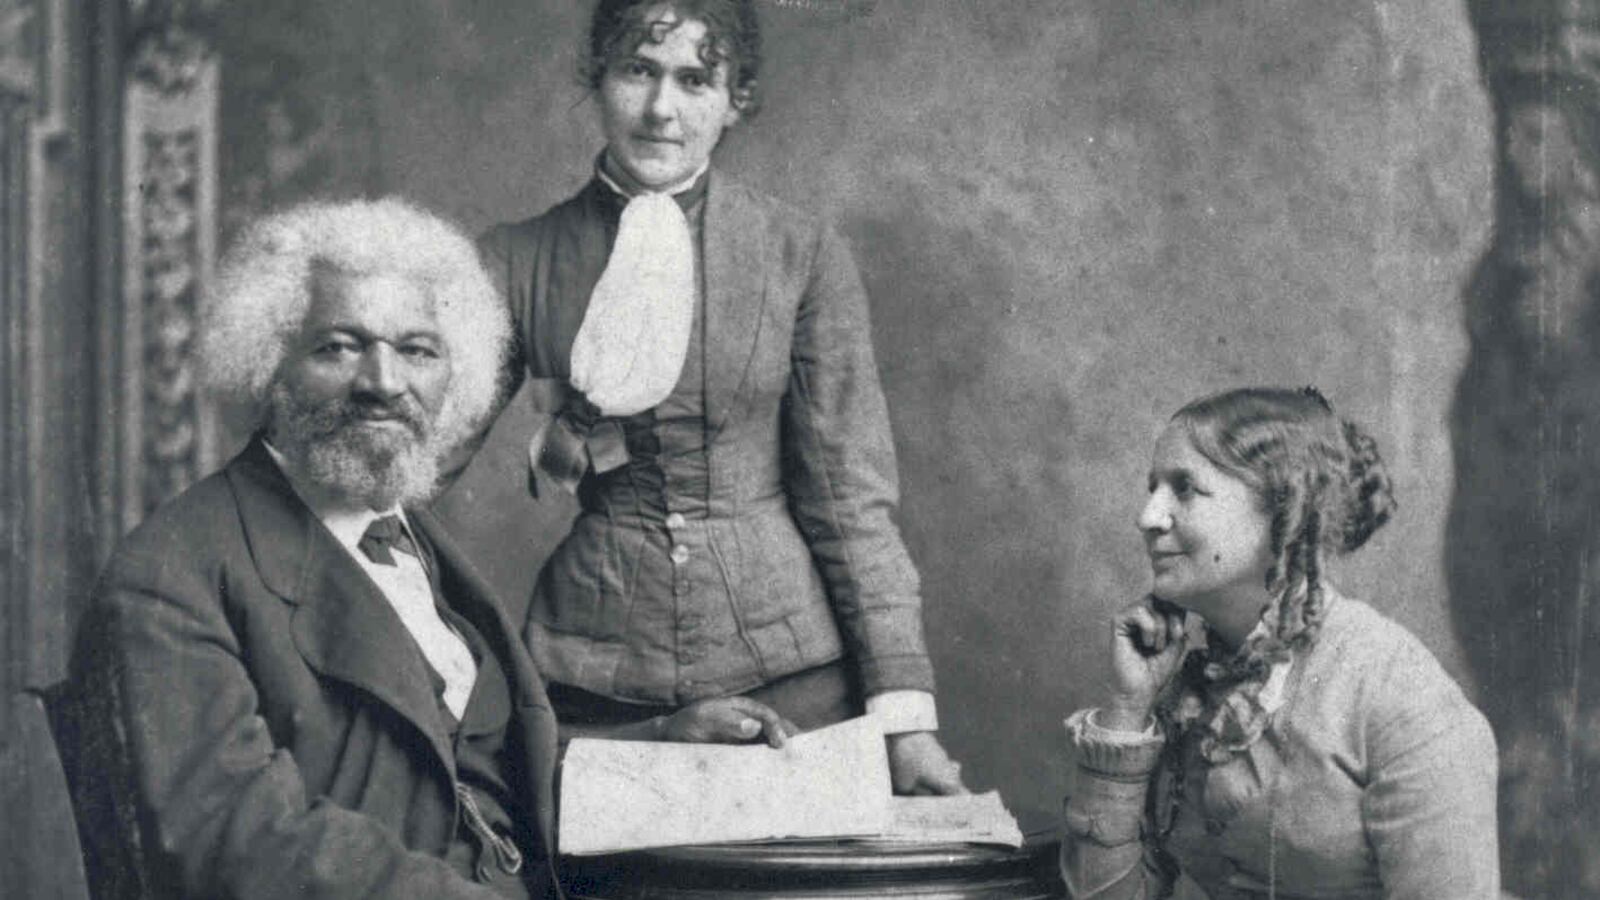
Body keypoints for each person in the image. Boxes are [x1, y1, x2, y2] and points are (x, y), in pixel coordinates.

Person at [469, 0, 963, 793]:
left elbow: (851, 504)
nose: (662, 109)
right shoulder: (515, 259)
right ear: (597, 77)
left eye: (695, 80)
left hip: (796, 677)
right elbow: (414, 467)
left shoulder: (799, 254)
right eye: (638, 71)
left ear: (736, 97)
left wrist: (906, 722)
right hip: (595, 681)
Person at [66, 199, 561, 899]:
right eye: (339, 346)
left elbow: (481, 762)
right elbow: (232, 839)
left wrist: (662, 743)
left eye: (417, 350)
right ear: (268, 364)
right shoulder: (169, 577)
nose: (384, 384)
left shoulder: (411, 536)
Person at [1059, 387, 1499, 898]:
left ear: (1283, 508)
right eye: (1152, 487)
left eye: (1183, 489)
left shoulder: (1399, 695)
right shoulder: (1188, 690)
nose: (1148, 516)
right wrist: (1126, 706)